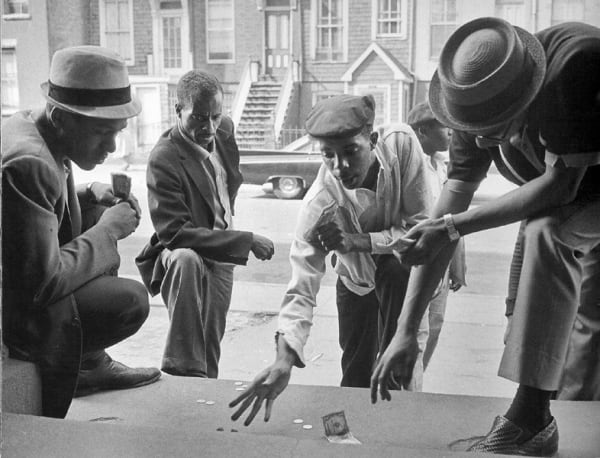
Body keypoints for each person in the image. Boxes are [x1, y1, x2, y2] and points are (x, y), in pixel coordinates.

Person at [370, 18, 600, 456]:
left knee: (547, 234)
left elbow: (561, 187)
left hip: (583, 188)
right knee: (567, 339)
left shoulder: (577, 67)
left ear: (530, 93)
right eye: (475, 130)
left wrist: (452, 227)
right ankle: (543, 425)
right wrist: (405, 331)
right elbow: (441, 224)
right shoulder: (469, 103)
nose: (482, 141)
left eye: (496, 127)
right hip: (575, 198)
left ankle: (530, 418)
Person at [229, 94, 435, 426]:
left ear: (372, 140)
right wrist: (284, 359)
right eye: (328, 155)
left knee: (400, 372)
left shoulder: (402, 144)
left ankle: (396, 434)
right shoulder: (320, 204)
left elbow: (420, 231)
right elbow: (301, 289)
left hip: (406, 277)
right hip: (354, 283)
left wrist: (358, 241)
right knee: (355, 377)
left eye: (350, 152)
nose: (340, 168)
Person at [2, 45, 161, 418]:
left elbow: (28, 211)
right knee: (131, 300)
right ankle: (85, 366)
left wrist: (90, 193)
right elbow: (40, 285)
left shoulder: (33, 124)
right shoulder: (30, 162)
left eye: (118, 132)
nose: (111, 146)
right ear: (61, 117)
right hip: (14, 311)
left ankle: (88, 361)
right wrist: (108, 231)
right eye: (102, 132)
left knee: (91, 211)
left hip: (19, 283)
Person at [135, 70, 274, 378]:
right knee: (186, 259)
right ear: (178, 111)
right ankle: (179, 372)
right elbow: (173, 233)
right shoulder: (164, 158)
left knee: (210, 347)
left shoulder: (222, 129)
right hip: (184, 252)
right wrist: (245, 240)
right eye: (198, 118)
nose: (209, 127)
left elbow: (226, 181)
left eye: (215, 116)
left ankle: (201, 404)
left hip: (221, 255)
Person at [407, 101, 467, 370]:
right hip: (418, 264)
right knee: (414, 334)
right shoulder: (411, 168)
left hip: (441, 263)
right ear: (421, 132)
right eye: (445, 127)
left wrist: (457, 264)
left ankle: (418, 380)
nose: (451, 133)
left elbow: (453, 221)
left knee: (434, 327)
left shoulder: (444, 166)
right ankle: (408, 388)